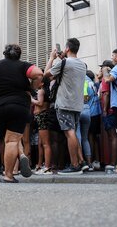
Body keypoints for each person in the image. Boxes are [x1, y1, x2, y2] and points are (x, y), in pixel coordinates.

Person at [0, 44, 43, 183]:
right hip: (17, 106)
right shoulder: (23, 65)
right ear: (18, 55)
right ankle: (9, 174)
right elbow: (38, 73)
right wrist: (32, 86)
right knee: (12, 140)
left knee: (7, 140)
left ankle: (20, 154)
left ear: (5, 53)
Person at [44, 38, 86, 175]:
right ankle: (80, 161)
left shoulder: (65, 63)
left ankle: (74, 165)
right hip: (77, 104)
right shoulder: (82, 64)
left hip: (64, 103)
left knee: (69, 133)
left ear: (67, 48)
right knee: (73, 131)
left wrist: (51, 58)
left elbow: (46, 75)